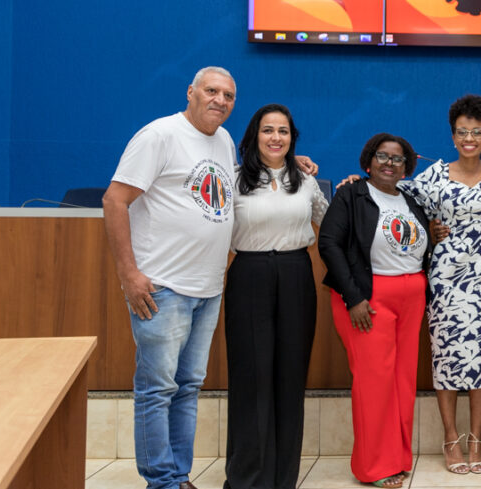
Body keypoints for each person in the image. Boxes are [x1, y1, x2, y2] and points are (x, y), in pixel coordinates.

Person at [103, 67, 238, 489]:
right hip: (162, 288)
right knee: (157, 388)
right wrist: (129, 273)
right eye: (211, 91)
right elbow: (114, 200)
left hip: (208, 288)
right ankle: (160, 481)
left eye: (229, 95)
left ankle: (179, 476)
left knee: (187, 387)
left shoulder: (224, 140)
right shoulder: (159, 135)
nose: (220, 100)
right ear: (191, 93)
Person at [400, 95, 481, 474]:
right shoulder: (434, 173)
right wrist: (430, 229)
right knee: (447, 358)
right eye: (462, 131)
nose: (469, 138)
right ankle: (451, 438)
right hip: (445, 281)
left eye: (477, 132)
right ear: (453, 135)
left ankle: (476, 439)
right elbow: (396, 199)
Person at [317, 133, 431, 489]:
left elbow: (417, 240)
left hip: (411, 296)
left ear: (406, 167)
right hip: (367, 299)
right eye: (382, 156)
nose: (389, 163)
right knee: (374, 384)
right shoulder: (351, 194)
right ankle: (373, 467)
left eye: (397, 159)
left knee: (401, 381)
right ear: (368, 161)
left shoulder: (411, 199)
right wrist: (352, 298)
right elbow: (329, 243)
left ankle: (397, 458)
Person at [224, 104, 328, 489]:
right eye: (268, 130)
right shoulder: (233, 180)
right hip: (249, 276)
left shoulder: (304, 180)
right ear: (254, 136)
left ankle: (283, 478)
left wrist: (356, 190)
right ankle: (247, 478)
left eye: (283, 131)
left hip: (295, 275)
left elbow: (329, 224)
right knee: (252, 379)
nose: (276, 138)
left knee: (289, 379)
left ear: (292, 138)